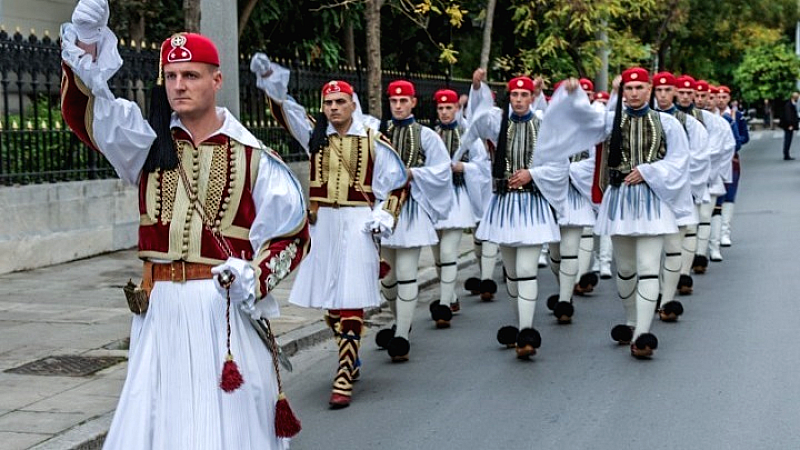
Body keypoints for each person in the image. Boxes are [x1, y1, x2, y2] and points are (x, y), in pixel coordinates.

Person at [60, 1, 310, 448]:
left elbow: (292, 231)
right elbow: (88, 113)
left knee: (226, 423)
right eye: (171, 77)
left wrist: (255, 275)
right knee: (160, 421)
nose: (179, 85)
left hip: (221, 308)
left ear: (217, 80)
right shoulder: (147, 142)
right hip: (158, 310)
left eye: (191, 75)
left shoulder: (251, 154)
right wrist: (86, 41)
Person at [251, 60, 408, 408]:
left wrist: (385, 214)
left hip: (356, 223)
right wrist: (269, 81)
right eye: (328, 103)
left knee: (350, 297)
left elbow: (398, 184)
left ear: (353, 103)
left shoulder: (371, 140)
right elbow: (284, 110)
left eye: (340, 102)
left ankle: (343, 372)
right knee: (330, 302)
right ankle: (349, 353)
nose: (334, 108)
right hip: (322, 224)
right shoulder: (315, 134)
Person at [552, 68, 691, 358]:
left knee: (649, 266)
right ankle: (631, 320)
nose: (635, 93)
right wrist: (573, 94)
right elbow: (580, 123)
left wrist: (649, 170)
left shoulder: (667, 123)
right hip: (619, 201)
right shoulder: (608, 122)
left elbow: (680, 161)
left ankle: (643, 332)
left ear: (650, 88)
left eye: (640, 87)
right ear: (622, 91)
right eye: (629, 88)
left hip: (653, 201)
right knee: (626, 268)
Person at [459, 74, 563, 359]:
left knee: (527, 269)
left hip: (532, 204)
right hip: (504, 205)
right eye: (514, 95)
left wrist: (533, 174)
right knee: (513, 272)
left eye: (524, 95)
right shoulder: (498, 123)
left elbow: (559, 166)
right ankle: (520, 324)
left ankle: (527, 332)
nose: (518, 100)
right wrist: (478, 87)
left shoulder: (544, 125)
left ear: (532, 97)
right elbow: (477, 113)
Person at [375, 80, 452, 362]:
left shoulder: (427, 136)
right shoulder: (377, 133)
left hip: (410, 212)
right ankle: (401, 322)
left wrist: (414, 175)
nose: (398, 106)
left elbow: (442, 171)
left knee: (407, 272)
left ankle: (402, 336)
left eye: (403, 101)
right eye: (394, 101)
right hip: (382, 212)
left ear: (413, 102)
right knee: (387, 277)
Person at [429, 89, 490, 327]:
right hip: (434, 201)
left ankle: (444, 303)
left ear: (457, 108)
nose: (444, 112)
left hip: (457, 199)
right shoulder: (432, 134)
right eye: (441, 108)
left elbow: (482, 165)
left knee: (448, 252)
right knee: (436, 254)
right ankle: (451, 296)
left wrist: (463, 168)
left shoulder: (468, 134)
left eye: (449, 108)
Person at [651, 71, 708, 321]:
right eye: (659, 90)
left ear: (675, 92)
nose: (663, 95)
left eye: (667, 90)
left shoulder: (689, 123)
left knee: (673, 247)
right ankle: (655, 291)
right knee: (651, 251)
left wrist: (680, 184)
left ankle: (667, 298)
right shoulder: (645, 120)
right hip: (649, 195)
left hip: (677, 193)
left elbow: (698, 158)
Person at [716, 86, 749, 247]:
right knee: (715, 197)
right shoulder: (710, 116)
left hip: (731, 161)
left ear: (729, 98)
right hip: (714, 163)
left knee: (729, 195)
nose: (721, 99)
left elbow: (744, 137)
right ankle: (713, 233)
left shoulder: (737, 116)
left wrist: (732, 144)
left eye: (724, 97)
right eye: (718, 96)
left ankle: (725, 232)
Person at [781, 92, 799, 160]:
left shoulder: (791, 104)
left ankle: (786, 154)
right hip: (788, 126)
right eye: (797, 98)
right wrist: (790, 125)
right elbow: (788, 116)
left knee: (788, 140)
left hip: (789, 125)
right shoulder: (789, 105)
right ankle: (786, 154)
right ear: (794, 98)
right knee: (787, 140)